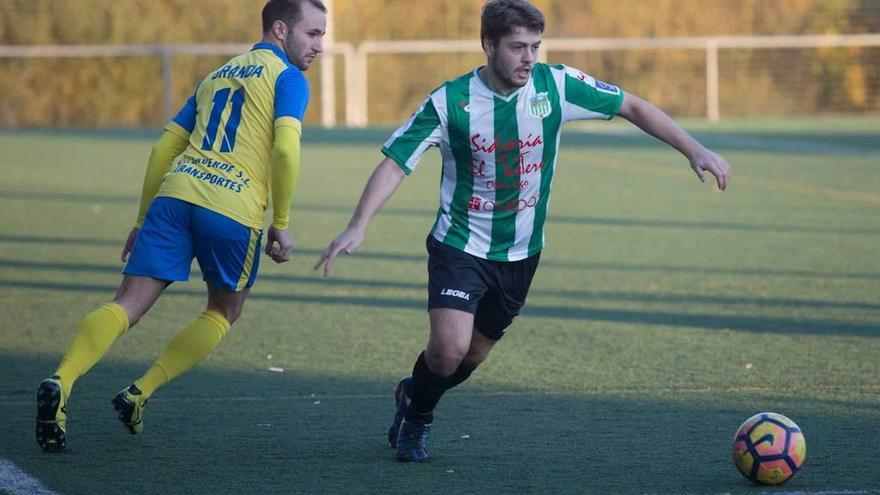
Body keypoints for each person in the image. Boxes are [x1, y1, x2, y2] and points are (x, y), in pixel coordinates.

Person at [314, 0, 730, 462]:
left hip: (522, 253)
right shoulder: (450, 101)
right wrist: (358, 225)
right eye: (517, 47)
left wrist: (694, 149)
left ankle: (415, 392)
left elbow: (630, 104)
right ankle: (417, 420)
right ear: (488, 45)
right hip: (460, 245)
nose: (528, 58)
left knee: (470, 359)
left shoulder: (556, 85)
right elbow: (395, 164)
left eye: (535, 46)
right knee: (449, 349)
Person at [35, 0, 327, 452]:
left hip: (174, 198)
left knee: (125, 306)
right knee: (223, 311)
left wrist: (140, 219)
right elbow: (286, 151)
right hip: (232, 208)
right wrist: (281, 223)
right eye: (313, 34)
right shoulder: (288, 79)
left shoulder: (215, 76)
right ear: (280, 29)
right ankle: (140, 392)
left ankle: (62, 378)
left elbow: (162, 148)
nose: (320, 46)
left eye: (322, 35)